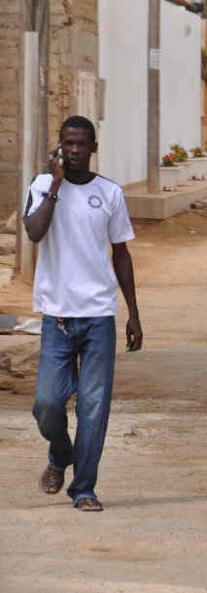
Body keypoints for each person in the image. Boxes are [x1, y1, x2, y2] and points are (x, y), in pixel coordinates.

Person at [23, 115, 143, 512]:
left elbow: (121, 253)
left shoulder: (109, 193)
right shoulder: (41, 187)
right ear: (59, 146)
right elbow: (35, 232)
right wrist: (55, 185)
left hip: (98, 317)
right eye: (67, 144)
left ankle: (84, 488)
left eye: (81, 144)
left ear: (93, 148)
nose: (74, 151)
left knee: (94, 407)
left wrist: (133, 313)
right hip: (56, 316)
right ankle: (60, 454)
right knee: (47, 403)